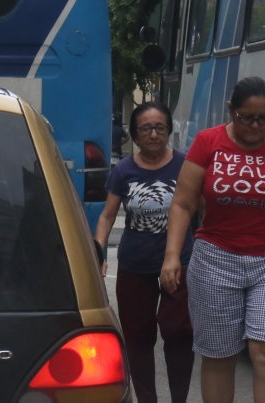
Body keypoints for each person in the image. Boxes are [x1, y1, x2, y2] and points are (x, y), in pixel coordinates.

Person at [159, 76, 265, 403]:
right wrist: (171, 256)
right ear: (231, 111)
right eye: (246, 118)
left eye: (263, 118)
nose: (255, 126)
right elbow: (183, 202)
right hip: (215, 261)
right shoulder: (208, 142)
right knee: (220, 355)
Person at [94, 102, 195, 403]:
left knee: (178, 331)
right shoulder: (124, 170)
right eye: (146, 129)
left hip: (180, 263)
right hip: (134, 265)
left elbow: (200, 211)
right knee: (138, 339)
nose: (153, 134)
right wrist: (99, 253)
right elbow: (107, 216)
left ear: (168, 131)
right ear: (135, 136)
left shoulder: (185, 166)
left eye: (160, 128)